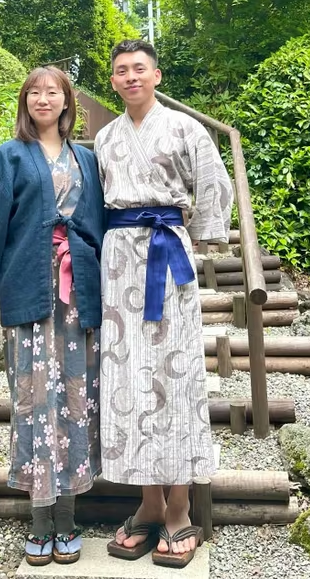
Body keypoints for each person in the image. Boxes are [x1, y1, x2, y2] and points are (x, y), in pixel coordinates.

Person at [94, 39, 232, 569]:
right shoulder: (105, 137)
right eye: (121, 70)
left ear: (156, 75)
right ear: (113, 81)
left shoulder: (185, 128)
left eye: (139, 69)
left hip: (168, 258)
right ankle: (148, 502)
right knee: (129, 376)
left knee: (175, 376)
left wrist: (198, 236)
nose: (131, 77)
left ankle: (179, 507)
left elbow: (214, 184)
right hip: (118, 261)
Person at [0, 66, 104, 567]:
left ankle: (68, 517)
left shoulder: (86, 159)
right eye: (35, 92)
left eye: (53, 92)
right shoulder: (9, 155)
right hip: (30, 292)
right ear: (25, 101)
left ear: (67, 102)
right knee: (34, 401)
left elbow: (98, 224)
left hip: (77, 296)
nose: (44, 99)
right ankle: (40, 521)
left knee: (76, 399)